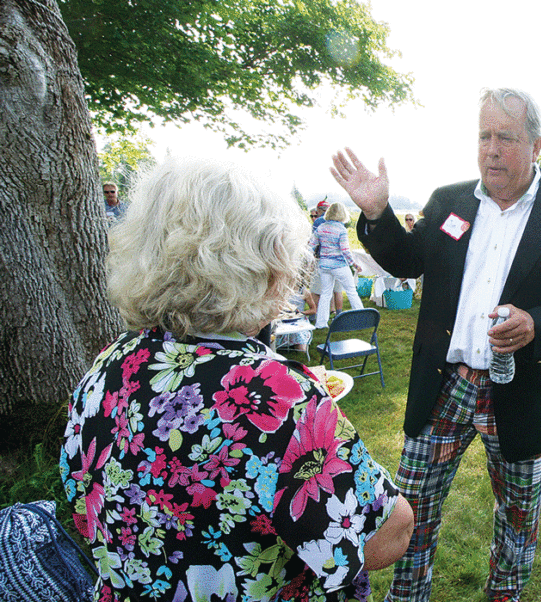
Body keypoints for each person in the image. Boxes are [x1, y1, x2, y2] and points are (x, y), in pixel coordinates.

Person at [60, 157, 413, 602]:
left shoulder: (111, 363)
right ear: (265, 265)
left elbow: (82, 502)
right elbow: (385, 536)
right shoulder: (273, 392)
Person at [329, 87, 541, 602]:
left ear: (536, 144)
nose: (491, 149)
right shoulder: (449, 201)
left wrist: (537, 323)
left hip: (521, 387)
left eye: (506, 137)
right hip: (445, 384)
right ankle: (408, 595)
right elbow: (408, 262)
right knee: (412, 506)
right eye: (484, 136)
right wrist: (377, 213)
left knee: (518, 522)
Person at [310, 202, 363, 329]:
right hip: (339, 265)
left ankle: (321, 323)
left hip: (324, 266)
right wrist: (354, 264)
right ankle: (362, 319)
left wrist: (308, 262)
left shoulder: (321, 227)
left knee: (325, 294)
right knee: (351, 291)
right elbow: (345, 250)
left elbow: (311, 245)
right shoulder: (341, 229)